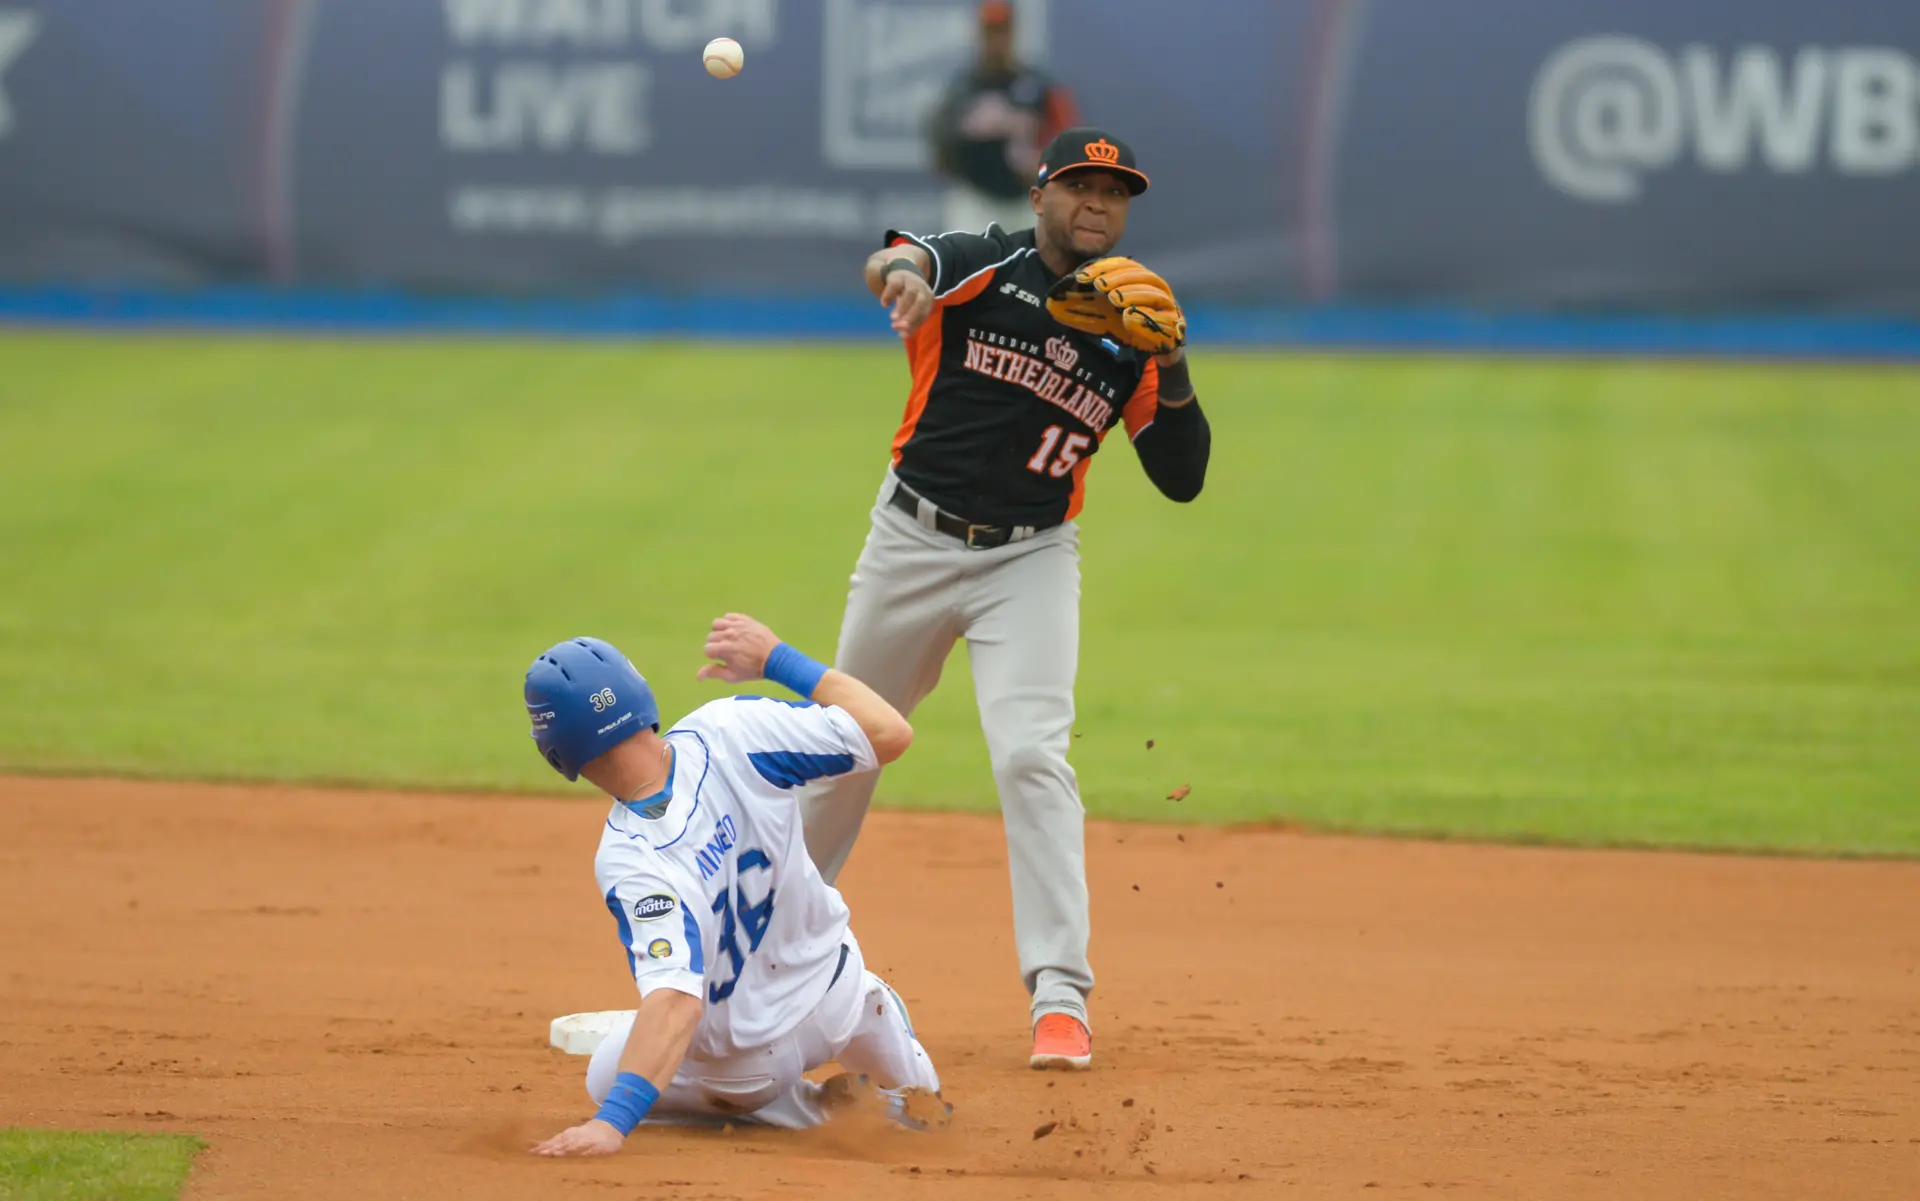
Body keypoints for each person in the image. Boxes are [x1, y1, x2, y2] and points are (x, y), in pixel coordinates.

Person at [800, 127, 1212, 1071]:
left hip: (1029, 560)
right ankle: (763, 947)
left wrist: (1174, 367)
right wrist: (899, 273)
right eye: (1079, 185)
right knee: (842, 746)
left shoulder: (1132, 328)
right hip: (909, 538)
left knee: (1032, 756)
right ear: (1041, 195)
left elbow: (1183, 479)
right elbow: (901, 256)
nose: (1098, 204)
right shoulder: (985, 261)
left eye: (1115, 191)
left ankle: (1061, 997)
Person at [525, 619, 947, 1157]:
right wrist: (776, 659)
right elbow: (889, 732)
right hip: (834, 988)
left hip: (747, 1071)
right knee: (861, 1004)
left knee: (608, 1076)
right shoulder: (730, 729)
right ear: (639, 698)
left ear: (558, 751)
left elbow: (676, 1003)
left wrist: (610, 1124)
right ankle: (885, 1044)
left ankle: (807, 1110)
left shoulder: (631, 857)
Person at [926, 0, 1079, 234]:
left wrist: (1043, 163)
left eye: (1002, 31)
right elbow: (939, 150)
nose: (996, 41)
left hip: (1027, 203)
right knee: (969, 267)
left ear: (1014, 33)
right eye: (990, 32)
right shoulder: (961, 90)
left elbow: (1069, 142)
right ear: (978, 34)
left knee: (1033, 267)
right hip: (976, 202)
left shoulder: (1038, 86)